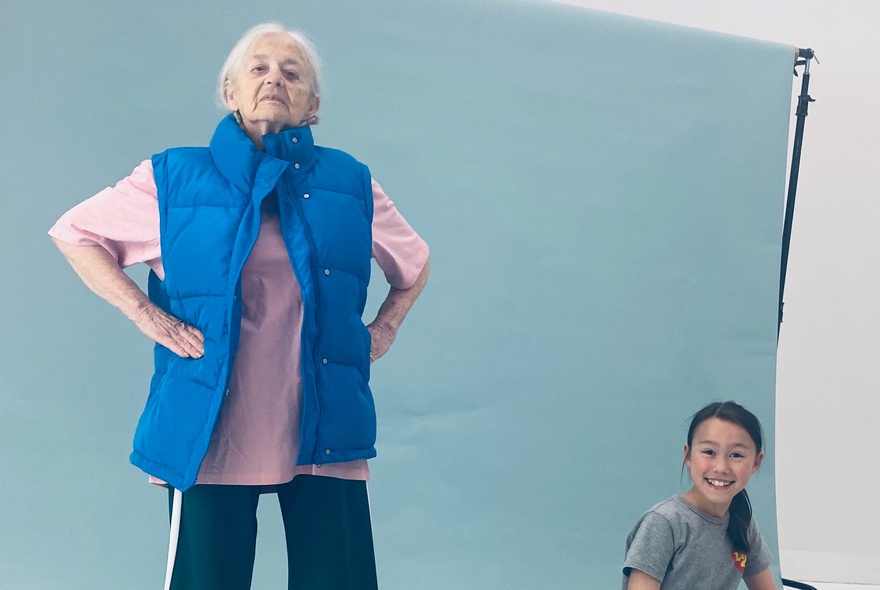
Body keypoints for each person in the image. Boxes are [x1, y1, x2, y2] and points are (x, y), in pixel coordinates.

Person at [49, 22, 429, 590]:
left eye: (291, 72)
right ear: (231, 92)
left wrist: (386, 327)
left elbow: (414, 265)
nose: (274, 78)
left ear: (313, 105)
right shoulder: (174, 178)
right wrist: (145, 314)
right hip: (210, 425)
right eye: (259, 68)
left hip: (325, 420)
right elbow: (74, 232)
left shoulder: (351, 183)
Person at [622, 401, 777, 590]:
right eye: (709, 452)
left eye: (736, 455)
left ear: (756, 462)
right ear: (687, 455)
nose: (721, 468)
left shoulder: (742, 521)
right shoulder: (664, 523)